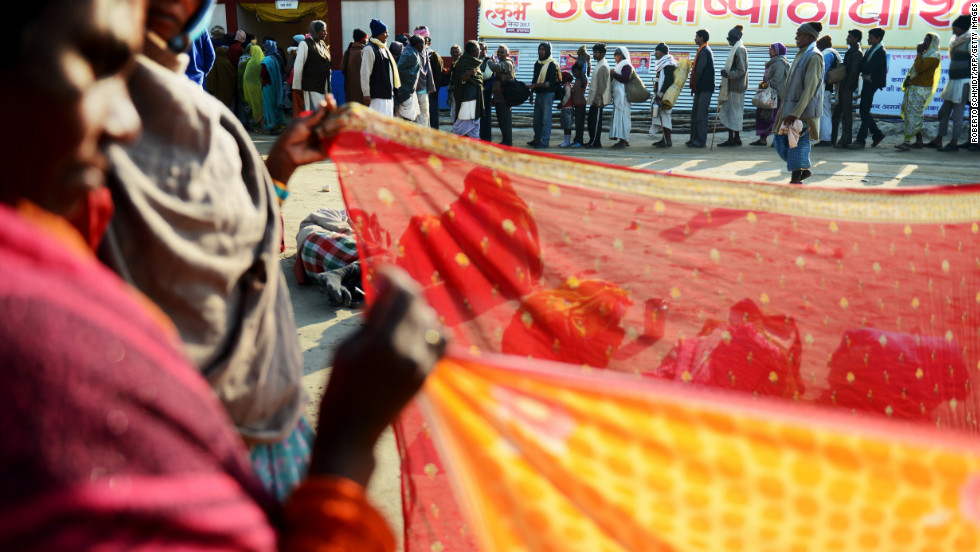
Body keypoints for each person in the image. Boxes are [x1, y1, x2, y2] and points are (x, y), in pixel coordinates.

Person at [1, 1, 446, 550]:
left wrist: (276, 175)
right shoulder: (50, 346)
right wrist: (349, 443)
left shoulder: (184, 104)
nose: (125, 120)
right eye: (97, 63)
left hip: (271, 427)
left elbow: (240, 252)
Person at [774, 22, 825, 184]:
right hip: (790, 108)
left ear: (810, 37)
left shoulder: (814, 56)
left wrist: (795, 113)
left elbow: (809, 89)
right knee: (781, 142)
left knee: (797, 145)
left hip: (803, 112)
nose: (796, 38)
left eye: (800, 35)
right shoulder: (802, 54)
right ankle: (802, 169)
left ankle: (796, 178)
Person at [927, 15, 975, 152]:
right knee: (944, 112)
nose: (953, 30)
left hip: (966, 82)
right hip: (953, 81)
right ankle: (939, 139)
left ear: (962, 28)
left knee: (960, 113)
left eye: (955, 27)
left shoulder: (973, 40)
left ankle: (956, 142)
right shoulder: (956, 40)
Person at [895, 33, 941, 151]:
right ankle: (919, 141)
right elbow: (916, 69)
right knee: (913, 114)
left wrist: (919, 53)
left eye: (927, 41)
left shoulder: (934, 56)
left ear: (933, 43)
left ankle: (906, 141)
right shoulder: (926, 54)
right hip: (914, 86)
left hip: (921, 88)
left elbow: (920, 69)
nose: (924, 42)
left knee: (914, 114)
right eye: (924, 39)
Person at [849, 27, 887, 149]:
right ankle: (877, 134)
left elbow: (866, 67)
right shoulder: (872, 49)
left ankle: (861, 140)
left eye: (871, 38)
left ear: (878, 39)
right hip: (868, 81)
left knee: (864, 110)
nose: (868, 40)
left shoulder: (880, 51)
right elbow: (864, 65)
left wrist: (861, 66)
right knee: (864, 110)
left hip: (872, 82)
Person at [750, 42, 790, 147]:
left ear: (777, 51)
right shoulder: (773, 62)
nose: (769, 51)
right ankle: (762, 139)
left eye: (771, 49)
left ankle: (776, 141)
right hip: (768, 94)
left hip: (775, 95)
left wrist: (766, 84)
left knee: (774, 118)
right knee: (763, 116)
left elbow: (777, 79)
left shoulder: (780, 63)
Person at [361, 19, 400, 116]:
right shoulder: (369, 49)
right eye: (385, 33)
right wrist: (366, 94)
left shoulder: (383, 48)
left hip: (387, 94)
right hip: (377, 97)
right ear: (378, 34)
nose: (388, 35)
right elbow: (365, 73)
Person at [832, 29, 864, 148]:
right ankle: (834, 138)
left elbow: (853, 72)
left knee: (846, 113)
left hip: (847, 87)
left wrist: (847, 86)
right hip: (844, 85)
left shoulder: (857, 53)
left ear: (856, 39)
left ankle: (846, 139)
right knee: (837, 113)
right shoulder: (851, 51)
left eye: (850, 37)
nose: (847, 39)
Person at [717, 26, 748, 147]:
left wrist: (727, 74)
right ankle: (735, 138)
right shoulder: (736, 48)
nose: (728, 41)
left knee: (733, 114)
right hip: (733, 86)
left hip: (736, 87)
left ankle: (733, 138)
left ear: (735, 38)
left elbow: (741, 70)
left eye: (729, 38)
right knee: (733, 114)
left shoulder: (739, 49)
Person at [293, 20, 331, 113]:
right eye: (323, 30)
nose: (325, 33)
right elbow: (298, 67)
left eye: (325, 30)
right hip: (312, 87)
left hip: (324, 86)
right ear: (316, 31)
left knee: (323, 114)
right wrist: (297, 87)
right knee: (316, 114)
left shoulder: (322, 44)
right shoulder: (305, 44)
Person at [528, 42, 560, 148]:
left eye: (543, 49)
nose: (541, 51)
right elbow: (534, 79)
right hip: (539, 94)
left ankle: (545, 141)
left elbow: (549, 84)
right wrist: (531, 94)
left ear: (548, 51)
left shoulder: (552, 64)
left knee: (546, 119)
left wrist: (534, 86)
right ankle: (537, 139)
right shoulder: (537, 63)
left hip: (547, 95)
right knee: (537, 119)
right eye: (540, 49)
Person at [451, 40, 484, 138]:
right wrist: (468, 74)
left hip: (476, 98)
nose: (480, 52)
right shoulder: (463, 62)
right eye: (478, 50)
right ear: (473, 51)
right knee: (462, 125)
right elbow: (459, 79)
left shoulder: (475, 62)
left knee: (473, 125)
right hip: (467, 100)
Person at [688, 29, 714, 148]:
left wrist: (694, 83)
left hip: (704, 87)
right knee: (695, 114)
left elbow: (699, 71)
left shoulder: (704, 51)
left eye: (696, 36)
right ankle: (694, 138)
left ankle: (701, 140)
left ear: (701, 38)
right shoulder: (703, 50)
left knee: (701, 115)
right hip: (700, 87)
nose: (695, 38)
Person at [815, 35, 841, 147]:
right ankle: (826, 138)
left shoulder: (827, 54)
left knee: (824, 113)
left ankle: (826, 138)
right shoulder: (833, 53)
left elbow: (823, 72)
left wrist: (817, 85)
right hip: (827, 88)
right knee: (824, 112)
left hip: (824, 88)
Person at [487, 44, 516, 146]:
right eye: (498, 52)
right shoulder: (502, 62)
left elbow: (496, 68)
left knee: (505, 121)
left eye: (502, 52)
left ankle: (508, 142)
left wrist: (489, 61)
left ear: (507, 54)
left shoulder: (507, 63)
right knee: (501, 121)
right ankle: (505, 140)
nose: (499, 54)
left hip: (505, 99)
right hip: (499, 97)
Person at [650, 42, 677, 148]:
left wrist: (660, 94)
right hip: (661, 93)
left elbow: (669, 80)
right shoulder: (663, 63)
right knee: (662, 116)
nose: (655, 53)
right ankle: (663, 139)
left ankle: (668, 141)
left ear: (663, 52)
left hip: (666, 95)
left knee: (665, 116)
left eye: (657, 51)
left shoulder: (668, 64)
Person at [585, 43, 611, 148]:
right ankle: (592, 140)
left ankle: (595, 142)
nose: (594, 54)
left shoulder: (603, 66)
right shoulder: (600, 64)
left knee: (595, 123)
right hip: (595, 100)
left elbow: (602, 86)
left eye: (596, 52)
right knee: (591, 121)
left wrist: (597, 99)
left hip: (598, 101)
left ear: (602, 53)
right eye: (594, 52)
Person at [609, 47, 634, 149]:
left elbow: (624, 79)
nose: (615, 56)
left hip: (623, 96)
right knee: (621, 118)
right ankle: (624, 140)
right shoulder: (619, 65)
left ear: (622, 55)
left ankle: (623, 141)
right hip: (619, 95)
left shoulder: (626, 65)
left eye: (616, 54)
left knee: (623, 118)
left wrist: (613, 74)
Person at [396, 35, 425, 122]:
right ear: (419, 44)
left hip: (409, 91)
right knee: (408, 118)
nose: (424, 47)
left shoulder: (413, 52)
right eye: (423, 44)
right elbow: (399, 71)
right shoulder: (410, 54)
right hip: (405, 92)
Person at [413, 26, 437, 127]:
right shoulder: (425, 52)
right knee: (423, 118)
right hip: (421, 90)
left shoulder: (408, 50)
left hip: (413, 91)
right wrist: (431, 88)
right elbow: (429, 72)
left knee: (416, 119)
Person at [261, 41, 286, 132]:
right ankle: (280, 123)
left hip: (267, 85)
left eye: (264, 49)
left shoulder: (266, 60)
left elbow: (262, 74)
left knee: (269, 105)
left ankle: (272, 124)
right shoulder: (276, 58)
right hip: (276, 85)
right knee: (275, 104)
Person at [206, 41, 238, 109]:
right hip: (229, 91)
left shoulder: (214, 64)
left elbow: (210, 78)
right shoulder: (229, 62)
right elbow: (234, 74)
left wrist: (210, 90)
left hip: (218, 92)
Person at [341, 29, 367, 107]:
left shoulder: (348, 51)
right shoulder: (362, 53)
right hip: (361, 91)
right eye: (366, 39)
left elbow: (342, 68)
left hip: (350, 89)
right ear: (363, 40)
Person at [243, 43, 265, 129]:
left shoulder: (250, 62)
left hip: (249, 88)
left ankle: (257, 125)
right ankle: (261, 126)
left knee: (254, 105)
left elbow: (245, 77)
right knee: (260, 105)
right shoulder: (261, 61)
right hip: (259, 87)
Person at [426, 34, 444, 129]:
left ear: (429, 42)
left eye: (425, 40)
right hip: (421, 92)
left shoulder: (433, 55)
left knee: (433, 115)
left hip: (432, 92)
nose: (424, 42)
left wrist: (435, 89)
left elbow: (439, 74)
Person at [570, 62, 589, 147]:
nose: (574, 73)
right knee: (577, 123)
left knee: (580, 124)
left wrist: (583, 61)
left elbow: (585, 70)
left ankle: (579, 141)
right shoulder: (577, 80)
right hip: (577, 104)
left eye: (575, 71)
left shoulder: (583, 79)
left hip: (581, 104)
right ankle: (577, 139)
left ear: (580, 71)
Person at [479, 42, 494, 141]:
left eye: (483, 49)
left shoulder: (489, 61)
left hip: (486, 92)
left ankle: (486, 137)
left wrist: (475, 72)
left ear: (486, 50)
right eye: (479, 49)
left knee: (486, 115)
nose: (481, 51)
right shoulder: (475, 60)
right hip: (477, 92)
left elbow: (487, 75)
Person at [557, 71, 575, 147]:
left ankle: (567, 141)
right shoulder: (566, 85)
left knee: (567, 125)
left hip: (568, 108)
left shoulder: (567, 85)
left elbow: (567, 96)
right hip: (566, 108)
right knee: (565, 124)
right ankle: (566, 140)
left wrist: (562, 104)